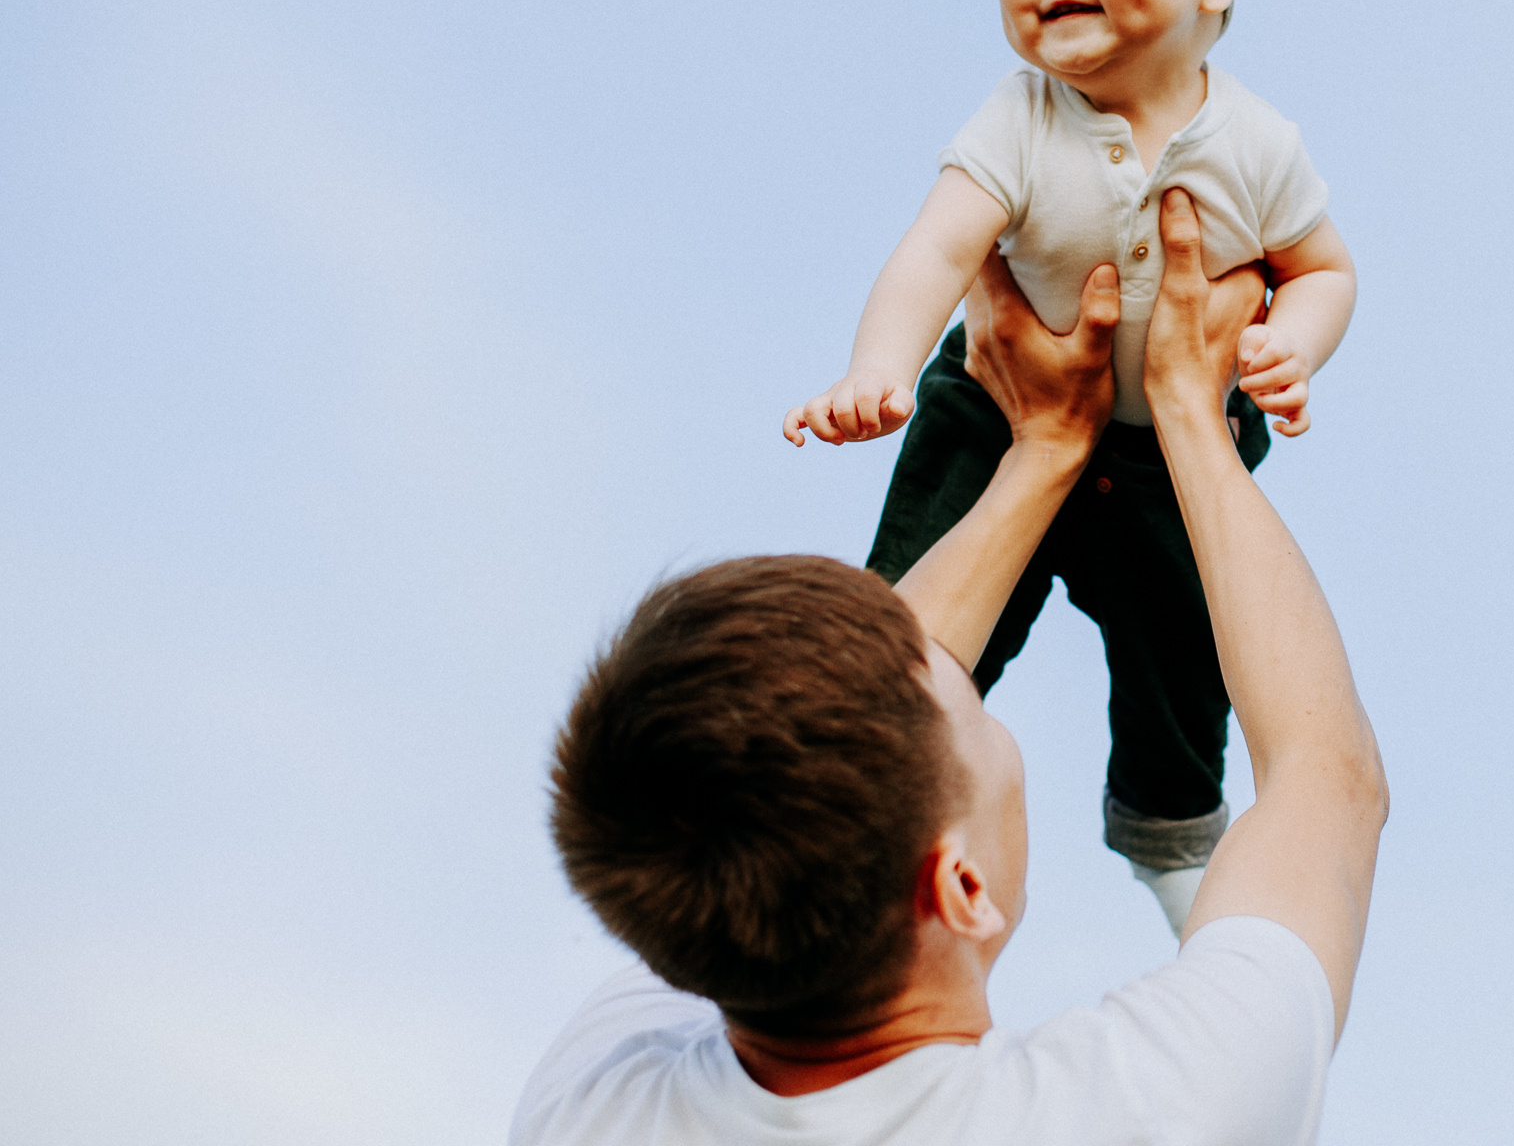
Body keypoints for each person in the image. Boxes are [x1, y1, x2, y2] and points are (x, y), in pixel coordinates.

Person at [515, 189, 1387, 1145]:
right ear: (958, 887)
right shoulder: (1155, 1107)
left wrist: (1045, 446)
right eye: (971, 702)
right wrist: (1188, 410)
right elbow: (1323, 780)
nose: (947, 657)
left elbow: (777, 767)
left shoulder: (597, 1100)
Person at [781, 0, 1358, 930]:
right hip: (996, 417)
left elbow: (1324, 268)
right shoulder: (1020, 116)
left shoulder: (1256, 143)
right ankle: (869, 801)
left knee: (1184, 657)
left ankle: (1169, 836)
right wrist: (877, 368)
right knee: (905, 627)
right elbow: (934, 249)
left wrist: (1290, 347)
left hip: (1171, 460)